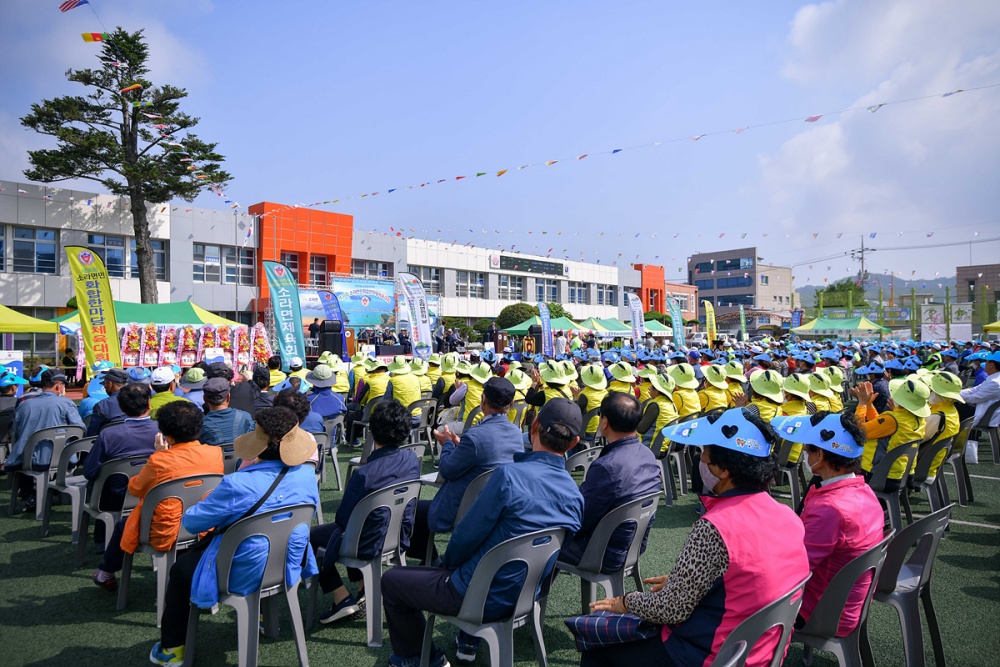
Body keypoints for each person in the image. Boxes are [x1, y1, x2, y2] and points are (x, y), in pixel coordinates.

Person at [573, 408, 809, 667]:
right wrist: (681, 580)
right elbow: (746, 574)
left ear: (723, 470)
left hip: (708, 654)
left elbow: (672, 608)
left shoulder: (715, 526)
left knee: (599, 649)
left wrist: (625, 602)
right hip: (761, 650)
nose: (700, 459)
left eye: (704, 453)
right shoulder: (787, 515)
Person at [382, 398, 584, 667]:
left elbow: (465, 536)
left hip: (476, 593)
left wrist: (448, 566)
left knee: (393, 580)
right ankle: (467, 639)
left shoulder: (509, 477)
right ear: (574, 443)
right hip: (525, 594)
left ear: (533, 425)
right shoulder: (575, 495)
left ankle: (422, 658)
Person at [149, 407, 320, 665]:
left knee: (180, 569)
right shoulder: (307, 475)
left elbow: (193, 523)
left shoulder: (237, 484)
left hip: (240, 571)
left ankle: (172, 648)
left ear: (259, 443)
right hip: (287, 563)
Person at [91, 401, 225, 591]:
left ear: (167, 436)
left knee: (123, 525)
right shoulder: (214, 453)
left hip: (166, 530)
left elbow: (136, 489)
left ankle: (106, 573)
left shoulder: (159, 459)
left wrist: (159, 455)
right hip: (203, 525)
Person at [773, 412, 884, 636]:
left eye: (807, 449)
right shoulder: (863, 490)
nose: (804, 453)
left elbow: (794, 569)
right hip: (846, 604)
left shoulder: (831, 509)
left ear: (821, 455)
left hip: (821, 610)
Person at [309, 400, 421, 622]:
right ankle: (363, 589)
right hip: (397, 536)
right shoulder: (411, 459)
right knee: (366, 525)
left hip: (366, 542)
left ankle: (341, 597)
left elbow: (343, 518)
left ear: (372, 430)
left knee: (310, 537)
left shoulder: (365, 474)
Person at [409, 377, 524, 564]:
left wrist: (447, 444)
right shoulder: (516, 433)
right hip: (496, 505)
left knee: (413, 510)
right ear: (511, 403)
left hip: (466, 507)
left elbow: (446, 470)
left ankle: (431, 561)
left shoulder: (476, 436)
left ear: (483, 400)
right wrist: (459, 445)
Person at [559, 392, 661, 572]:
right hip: (633, 548)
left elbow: (580, 518)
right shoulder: (648, 455)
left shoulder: (607, 466)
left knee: (545, 537)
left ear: (604, 422)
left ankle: (531, 597)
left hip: (602, 553)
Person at [84, 384, 160, 549]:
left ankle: (102, 541)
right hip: (152, 494)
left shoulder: (108, 434)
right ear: (149, 404)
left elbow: (90, 471)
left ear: (121, 407)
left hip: (115, 498)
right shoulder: (161, 430)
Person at [4, 369, 85, 511]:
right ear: (58, 385)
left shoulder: (24, 405)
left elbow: (16, 433)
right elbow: (80, 430)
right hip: (62, 460)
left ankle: (29, 495)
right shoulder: (66, 403)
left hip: (29, 461)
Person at [854, 379, 929, 492]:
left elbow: (857, 431)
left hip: (876, 476)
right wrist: (869, 405)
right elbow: (880, 427)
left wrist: (862, 403)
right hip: (899, 476)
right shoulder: (919, 420)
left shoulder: (893, 420)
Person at [198, 378, 255, 446]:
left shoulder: (200, 425)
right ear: (228, 397)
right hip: (243, 456)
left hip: (213, 456)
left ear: (205, 399)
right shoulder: (245, 417)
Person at [636, 372, 678, 449]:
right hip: (664, 446)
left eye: (652, 386)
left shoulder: (655, 405)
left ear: (657, 391)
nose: (649, 388)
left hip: (650, 447)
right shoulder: (671, 404)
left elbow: (640, 429)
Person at [959, 351, 1000, 429]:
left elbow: (975, 398)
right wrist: (956, 393)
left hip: (984, 415)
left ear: (991, 365)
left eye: (986, 362)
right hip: (980, 409)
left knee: (951, 410)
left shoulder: (995, 382)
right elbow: (974, 390)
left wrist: (956, 396)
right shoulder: (993, 379)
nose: (984, 364)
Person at [86, 368, 130, 436]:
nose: (105, 387)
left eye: (104, 384)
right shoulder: (138, 400)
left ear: (110, 384)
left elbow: (92, 433)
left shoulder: (102, 405)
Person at [572, 364, 609, 442]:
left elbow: (575, 414)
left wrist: (575, 397)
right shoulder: (606, 393)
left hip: (585, 433)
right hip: (601, 431)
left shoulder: (584, 395)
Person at [388, 355, 422, 421]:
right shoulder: (416, 378)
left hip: (400, 419)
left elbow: (386, 400)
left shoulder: (393, 380)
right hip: (419, 417)